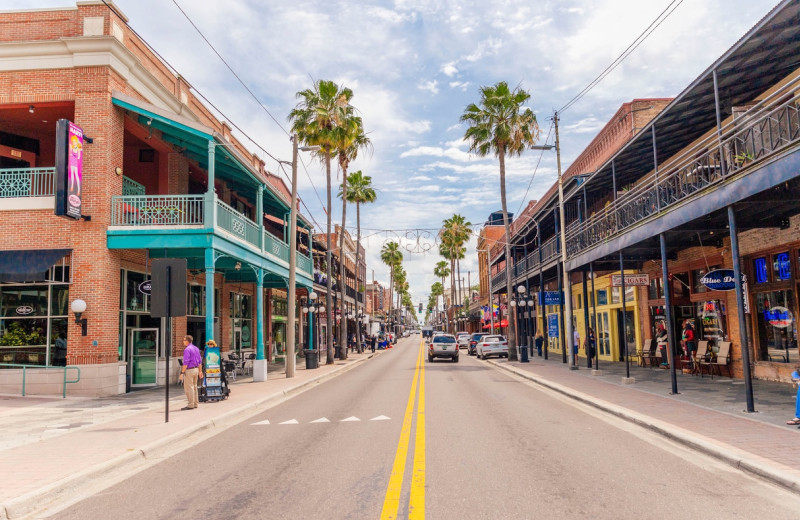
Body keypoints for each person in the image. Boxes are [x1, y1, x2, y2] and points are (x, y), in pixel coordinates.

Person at [179, 335, 202, 410]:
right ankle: (195, 403)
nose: (183, 341)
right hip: (196, 370)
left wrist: (182, 373)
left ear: (187, 341)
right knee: (195, 386)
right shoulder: (196, 348)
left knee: (189, 388)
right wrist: (200, 371)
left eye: (184, 340)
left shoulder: (187, 349)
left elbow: (185, 362)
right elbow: (199, 361)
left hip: (189, 370)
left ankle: (191, 404)